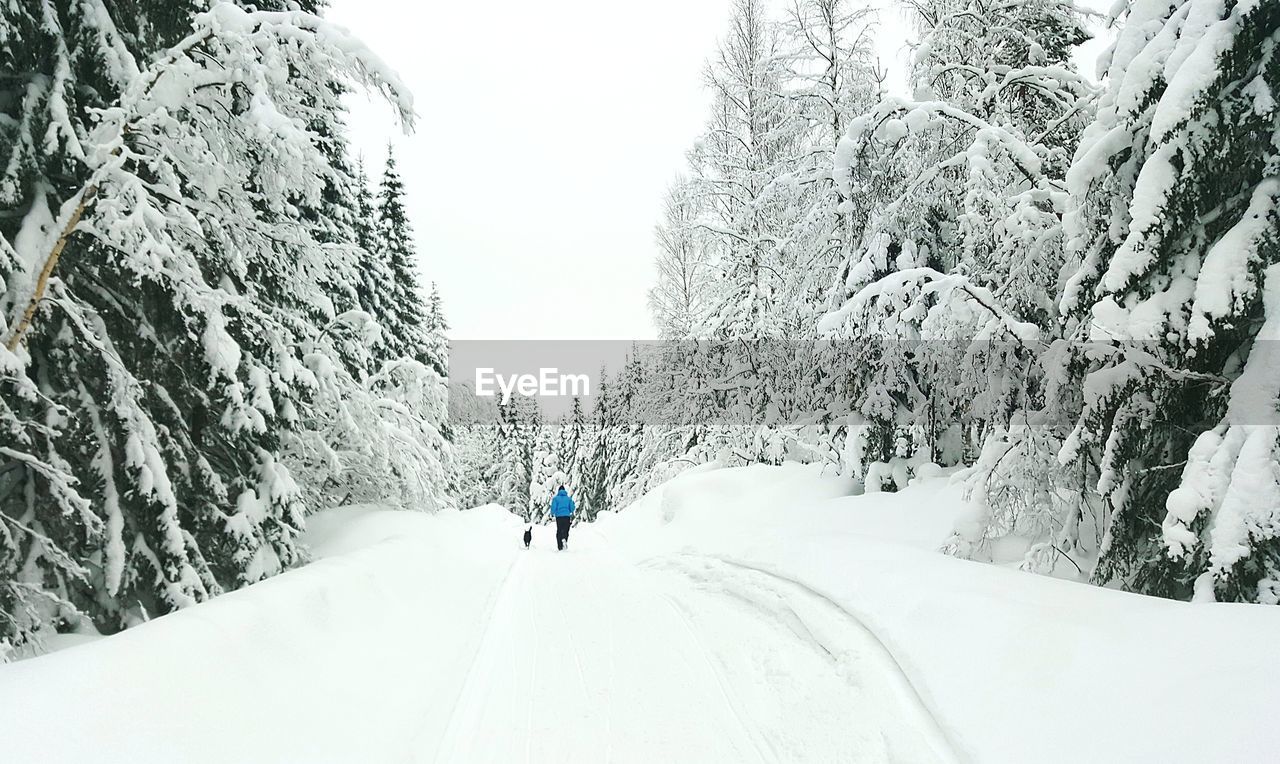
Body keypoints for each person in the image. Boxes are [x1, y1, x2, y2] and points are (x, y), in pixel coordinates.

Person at [549, 485, 575, 551]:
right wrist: (571, 511)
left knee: (559, 530)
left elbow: (553, 508)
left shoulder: (555, 499)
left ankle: (560, 546)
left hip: (559, 517)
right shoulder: (568, 499)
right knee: (566, 530)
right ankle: (564, 539)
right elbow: (572, 508)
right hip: (567, 516)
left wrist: (552, 514)